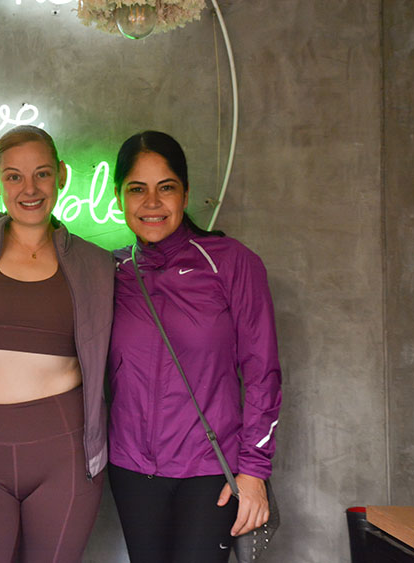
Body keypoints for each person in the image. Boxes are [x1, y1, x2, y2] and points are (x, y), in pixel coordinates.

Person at [0, 125, 115, 562]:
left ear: (62, 176)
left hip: (65, 453)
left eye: (42, 174)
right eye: (14, 176)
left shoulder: (98, 263)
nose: (29, 189)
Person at [106, 130, 282, 563]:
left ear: (185, 195)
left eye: (165, 188)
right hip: (130, 469)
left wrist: (253, 472)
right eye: (137, 189)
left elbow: (263, 373)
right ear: (119, 197)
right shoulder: (111, 271)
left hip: (210, 471)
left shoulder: (232, 262)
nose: (151, 202)